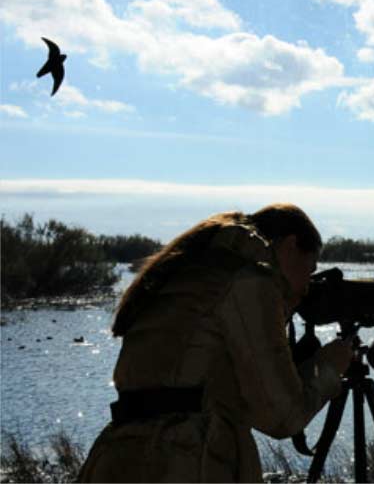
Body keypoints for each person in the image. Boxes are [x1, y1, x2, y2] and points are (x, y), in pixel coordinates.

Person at [79, 203, 353, 482]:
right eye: (309, 269)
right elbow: (282, 416)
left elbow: (215, 390)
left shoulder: (195, 271)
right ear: (291, 246)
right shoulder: (250, 280)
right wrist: (328, 367)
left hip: (121, 456)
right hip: (184, 462)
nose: (307, 286)